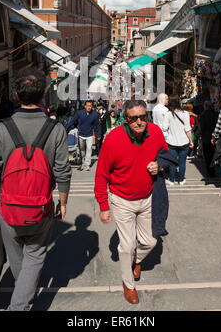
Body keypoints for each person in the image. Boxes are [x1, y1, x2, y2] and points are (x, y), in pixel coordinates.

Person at [0, 67, 72, 311]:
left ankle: (21, 298)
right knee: (35, 256)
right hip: (40, 208)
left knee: (17, 257)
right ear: (44, 95)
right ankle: (22, 301)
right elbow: (63, 172)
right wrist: (63, 202)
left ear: (16, 94)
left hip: (9, 210)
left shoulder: (3, 128)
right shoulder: (55, 129)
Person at [94, 100, 169, 304]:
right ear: (125, 120)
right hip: (121, 200)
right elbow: (101, 175)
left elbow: (167, 156)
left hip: (148, 197)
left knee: (150, 241)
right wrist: (103, 206)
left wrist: (159, 165)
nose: (139, 122)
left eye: (143, 117)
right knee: (126, 246)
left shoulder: (155, 132)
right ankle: (128, 284)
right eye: (134, 118)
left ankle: (136, 261)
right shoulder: (113, 139)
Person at [162, 94, 194, 185]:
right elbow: (188, 129)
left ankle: (171, 180)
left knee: (172, 161)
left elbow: (164, 128)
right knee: (182, 162)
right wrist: (191, 141)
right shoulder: (185, 114)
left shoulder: (168, 114)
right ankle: (181, 180)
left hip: (171, 142)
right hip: (184, 142)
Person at [65, 100, 101, 171]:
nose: (89, 107)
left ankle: (87, 164)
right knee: (82, 150)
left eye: (90, 106)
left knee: (89, 149)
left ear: (92, 106)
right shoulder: (80, 113)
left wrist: (98, 134)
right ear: (85, 106)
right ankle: (83, 161)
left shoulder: (95, 115)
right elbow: (72, 121)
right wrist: (65, 129)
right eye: (88, 106)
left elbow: (97, 125)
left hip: (89, 135)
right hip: (81, 134)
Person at [199, 101, 219, 178]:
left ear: (205, 106)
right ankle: (213, 170)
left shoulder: (203, 115)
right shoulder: (216, 114)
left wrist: (201, 135)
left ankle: (210, 171)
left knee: (207, 156)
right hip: (215, 137)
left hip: (206, 138)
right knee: (214, 155)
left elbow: (202, 127)